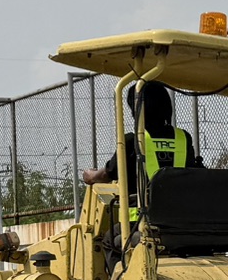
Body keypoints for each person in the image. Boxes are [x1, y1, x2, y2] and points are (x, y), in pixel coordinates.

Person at [80, 80, 192, 218]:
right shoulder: (184, 138)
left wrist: (90, 176)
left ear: (137, 109)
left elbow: (108, 174)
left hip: (139, 221)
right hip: (181, 218)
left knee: (109, 232)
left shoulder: (132, 141)